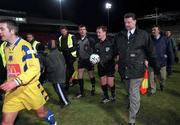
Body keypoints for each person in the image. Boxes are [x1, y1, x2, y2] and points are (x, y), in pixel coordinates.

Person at [0, 19, 57, 125]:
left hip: (29, 88)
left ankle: (53, 122)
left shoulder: (25, 46)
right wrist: (8, 81)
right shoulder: (5, 47)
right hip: (12, 91)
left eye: (2, 29)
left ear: (12, 31)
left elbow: (35, 68)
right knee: (5, 122)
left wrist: (16, 81)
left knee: (41, 114)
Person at [114, 13, 159, 125]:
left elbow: (151, 52)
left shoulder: (143, 35)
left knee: (134, 93)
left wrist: (155, 66)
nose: (127, 24)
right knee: (129, 91)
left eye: (129, 22)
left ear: (135, 22)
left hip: (137, 69)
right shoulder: (119, 35)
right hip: (124, 70)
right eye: (125, 22)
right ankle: (131, 103)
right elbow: (114, 51)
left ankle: (132, 119)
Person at [45, 39, 70, 107]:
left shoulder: (49, 55)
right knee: (61, 89)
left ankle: (65, 102)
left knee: (59, 90)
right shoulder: (59, 53)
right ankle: (63, 100)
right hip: (62, 73)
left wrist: (47, 73)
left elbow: (50, 67)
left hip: (56, 75)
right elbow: (64, 62)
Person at [95, 26, 116, 103]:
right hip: (101, 66)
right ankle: (106, 97)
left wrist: (102, 60)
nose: (98, 34)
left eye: (99, 32)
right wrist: (93, 60)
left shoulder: (110, 42)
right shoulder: (97, 45)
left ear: (104, 32)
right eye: (97, 32)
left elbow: (111, 55)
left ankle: (113, 96)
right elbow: (95, 56)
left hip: (109, 65)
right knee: (103, 82)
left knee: (110, 83)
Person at [150, 25, 174, 92]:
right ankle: (153, 89)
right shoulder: (149, 39)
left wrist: (170, 63)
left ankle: (162, 84)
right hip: (152, 62)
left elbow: (169, 51)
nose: (153, 31)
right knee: (152, 77)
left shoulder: (165, 39)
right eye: (152, 30)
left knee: (163, 77)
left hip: (162, 62)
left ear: (158, 30)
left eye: (154, 29)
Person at [76, 25, 96, 98]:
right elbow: (78, 50)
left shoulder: (90, 40)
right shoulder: (78, 41)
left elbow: (94, 50)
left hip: (89, 60)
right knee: (79, 76)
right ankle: (81, 92)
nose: (82, 31)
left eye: (83, 29)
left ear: (86, 30)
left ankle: (93, 88)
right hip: (81, 60)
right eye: (80, 30)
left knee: (91, 75)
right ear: (79, 31)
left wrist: (93, 58)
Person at [58, 26, 78, 92]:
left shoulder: (72, 36)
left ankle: (66, 85)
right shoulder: (60, 38)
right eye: (62, 31)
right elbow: (59, 47)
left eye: (64, 31)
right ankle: (74, 80)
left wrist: (67, 50)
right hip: (63, 56)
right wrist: (60, 49)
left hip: (71, 56)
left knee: (68, 71)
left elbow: (75, 46)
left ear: (67, 31)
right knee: (69, 69)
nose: (63, 32)